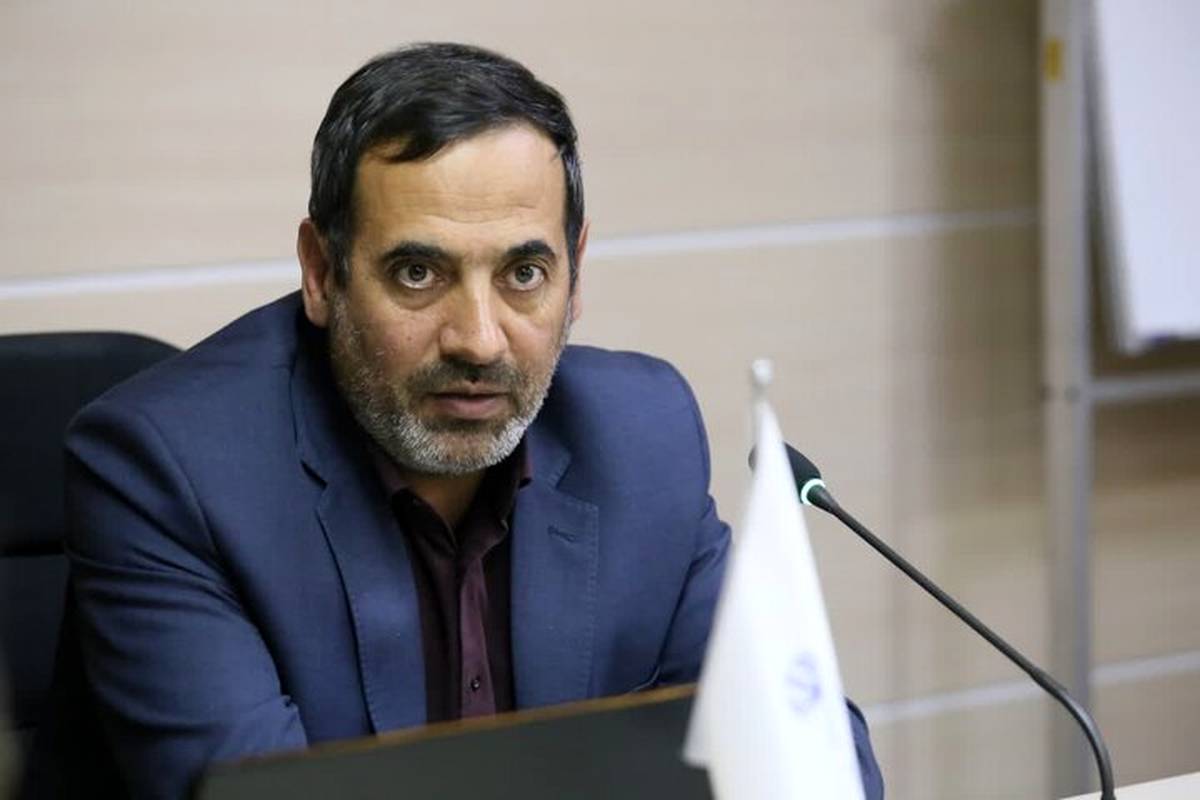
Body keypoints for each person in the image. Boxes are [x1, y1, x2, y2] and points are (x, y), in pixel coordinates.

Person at [47, 43, 882, 798]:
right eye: (418, 273)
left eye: (523, 273)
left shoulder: (640, 435)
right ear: (322, 273)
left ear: (575, 274)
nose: (479, 340)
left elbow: (808, 755)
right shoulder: (168, 470)